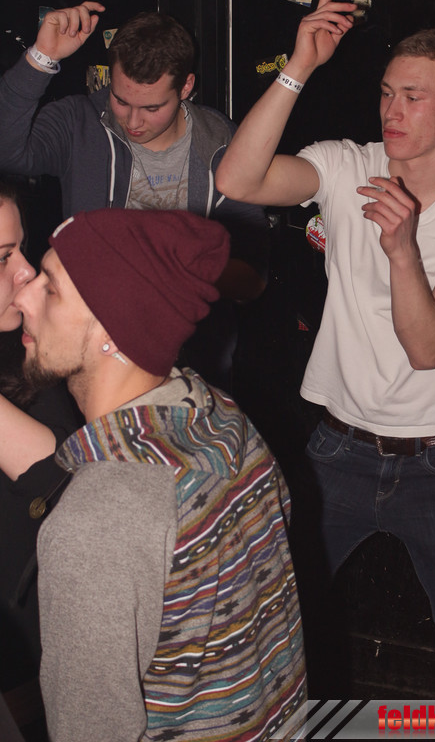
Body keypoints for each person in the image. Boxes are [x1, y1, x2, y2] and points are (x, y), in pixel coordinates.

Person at [215, 0, 435, 699]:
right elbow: (236, 177)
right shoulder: (347, 165)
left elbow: (429, 348)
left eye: (413, 97)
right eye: (387, 93)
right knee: (270, 619)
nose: (392, 110)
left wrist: (403, 250)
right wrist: (299, 67)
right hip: (338, 450)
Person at [14, 208, 306, 742]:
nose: (23, 297)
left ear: (112, 332)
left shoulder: (95, 524)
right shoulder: (225, 422)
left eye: (50, 289)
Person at [0, 1, 269, 310]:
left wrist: (172, 268)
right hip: (86, 329)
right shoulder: (80, 123)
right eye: (121, 100)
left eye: (152, 108)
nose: (133, 121)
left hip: (189, 338)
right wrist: (41, 57)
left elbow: (252, 278)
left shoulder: (222, 142)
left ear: (185, 87)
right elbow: (7, 153)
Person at [0, 180, 80, 741]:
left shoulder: (23, 351)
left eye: (19, 249)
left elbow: (67, 480)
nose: (26, 271)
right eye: (3, 257)